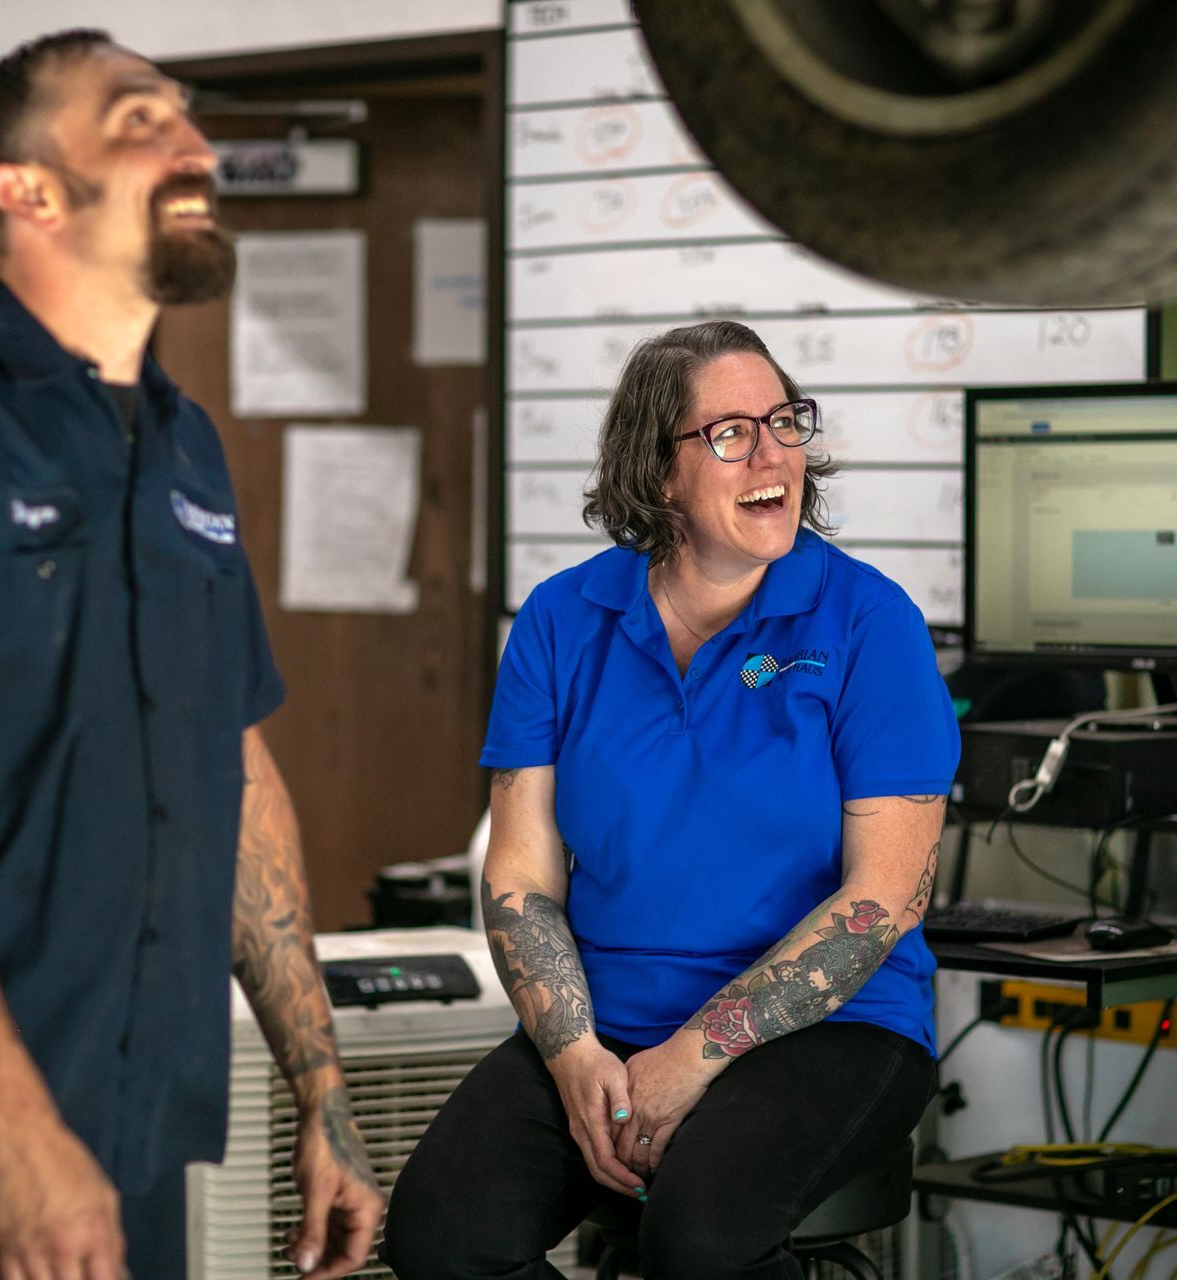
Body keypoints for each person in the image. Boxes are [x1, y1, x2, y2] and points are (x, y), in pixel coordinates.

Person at [0, 30, 382, 1280]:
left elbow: (235, 759)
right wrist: (15, 1127)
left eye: (186, 115)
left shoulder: (186, 444)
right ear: (28, 189)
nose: (195, 142)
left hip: (144, 1116)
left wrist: (320, 1084)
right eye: (138, 118)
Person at [382, 321, 960, 1279]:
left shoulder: (869, 621)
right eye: (730, 433)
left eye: (785, 422)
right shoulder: (563, 622)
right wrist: (574, 1057)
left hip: (833, 1030)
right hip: (605, 1021)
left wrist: (690, 1059)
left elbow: (881, 901)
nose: (774, 453)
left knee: (698, 1243)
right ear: (657, 474)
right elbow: (522, 875)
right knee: (442, 1241)